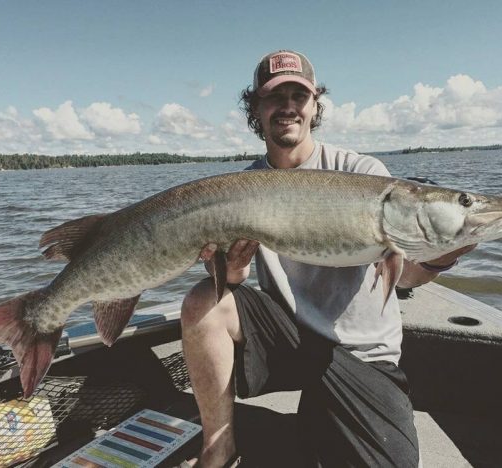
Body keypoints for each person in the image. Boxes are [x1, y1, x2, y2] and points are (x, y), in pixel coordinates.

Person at [180, 50, 475, 467]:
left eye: (298, 96)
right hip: (291, 339)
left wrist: (442, 257)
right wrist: (231, 271)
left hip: (361, 356)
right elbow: (232, 279)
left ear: (314, 105)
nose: (287, 107)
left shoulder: (363, 173)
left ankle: (317, 422)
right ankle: (219, 446)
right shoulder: (242, 187)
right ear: (256, 109)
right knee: (202, 302)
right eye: (274, 97)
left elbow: (406, 276)